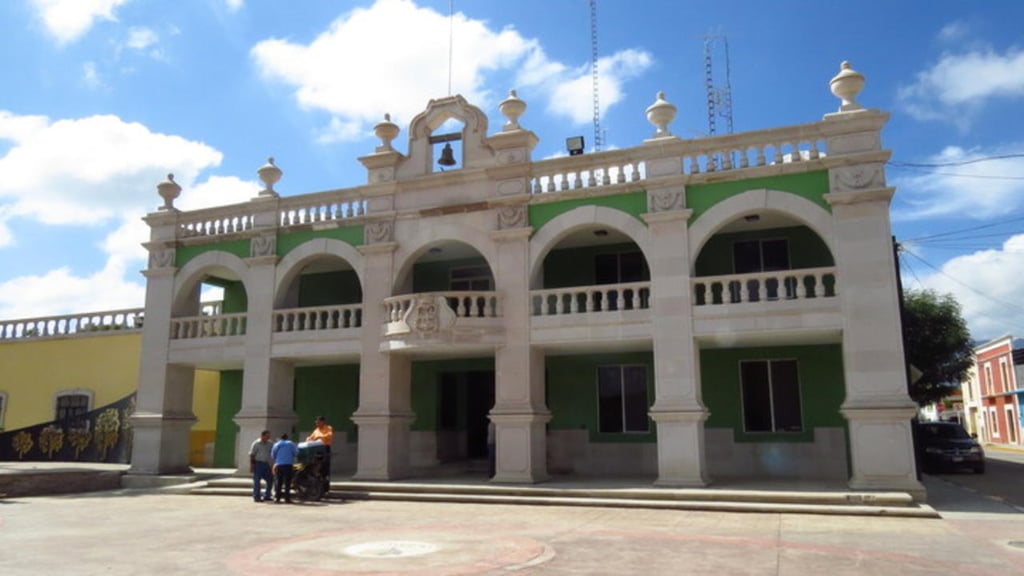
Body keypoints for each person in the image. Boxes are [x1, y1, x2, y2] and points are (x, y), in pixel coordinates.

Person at [306, 416, 334, 490]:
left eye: (318, 422)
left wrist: (319, 438)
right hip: (316, 449)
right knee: (316, 467)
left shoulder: (328, 428)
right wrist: (312, 439)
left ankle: (325, 487)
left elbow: (329, 436)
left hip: (325, 448)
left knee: (325, 468)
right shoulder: (316, 430)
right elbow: (309, 438)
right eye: (316, 422)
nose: (317, 423)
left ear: (323, 422)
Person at [271, 433, 299, 503]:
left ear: (281, 438)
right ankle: (287, 498)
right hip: (288, 465)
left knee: (279, 482)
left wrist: (278, 459)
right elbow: (296, 453)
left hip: (279, 465)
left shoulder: (277, 444)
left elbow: (273, 455)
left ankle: (277, 498)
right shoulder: (290, 443)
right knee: (287, 482)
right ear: (287, 438)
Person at [248, 429, 274, 503]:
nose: (268, 438)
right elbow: (252, 455)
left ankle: (267, 495)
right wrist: (252, 466)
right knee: (257, 481)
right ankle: (257, 496)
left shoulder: (270, 444)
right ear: (262, 436)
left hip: (267, 464)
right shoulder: (256, 443)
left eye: (269, 436)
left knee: (270, 480)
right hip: (258, 464)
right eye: (267, 436)